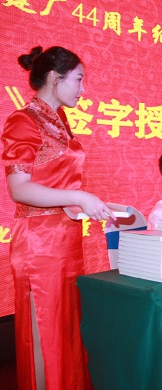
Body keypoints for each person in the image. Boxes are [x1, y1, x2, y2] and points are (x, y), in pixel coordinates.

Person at [2, 46, 115, 390]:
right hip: (39, 245)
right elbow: (19, 188)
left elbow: (55, 183)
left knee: (66, 331)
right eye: (78, 79)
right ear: (55, 77)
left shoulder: (59, 120)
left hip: (65, 239)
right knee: (46, 332)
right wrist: (78, 197)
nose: (83, 89)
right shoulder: (24, 120)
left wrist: (83, 204)